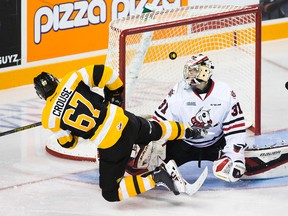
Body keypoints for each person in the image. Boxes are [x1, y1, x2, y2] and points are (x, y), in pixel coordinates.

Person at [33, 64, 206, 202]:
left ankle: (157, 177)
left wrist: (70, 131)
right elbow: (105, 73)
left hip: (111, 143)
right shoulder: (72, 78)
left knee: (110, 192)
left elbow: (70, 143)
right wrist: (114, 95)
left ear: (41, 95)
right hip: (124, 120)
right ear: (54, 80)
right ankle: (189, 131)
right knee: (155, 129)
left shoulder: (49, 118)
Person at [127, 54, 247, 183]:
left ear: (205, 71)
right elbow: (160, 122)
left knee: (237, 167)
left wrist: (234, 155)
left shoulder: (224, 92)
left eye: (193, 71)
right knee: (143, 169)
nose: (188, 74)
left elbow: (235, 127)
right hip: (183, 145)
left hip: (216, 146)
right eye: (188, 71)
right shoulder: (179, 91)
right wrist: (155, 146)